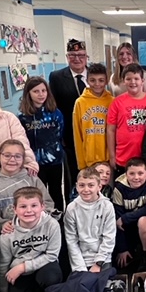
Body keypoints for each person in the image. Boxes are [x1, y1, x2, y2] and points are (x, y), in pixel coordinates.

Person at [0, 186, 63, 292]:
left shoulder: (52, 225)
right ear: (14, 209)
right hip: (21, 274)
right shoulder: (7, 234)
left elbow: (52, 255)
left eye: (34, 205)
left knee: (52, 276)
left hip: (44, 266)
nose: (29, 210)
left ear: (42, 207)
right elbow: (3, 265)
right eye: (23, 206)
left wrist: (23, 267)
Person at [0, 139, 55, 238]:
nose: (12, 160)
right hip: (6, 238)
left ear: (23, 159)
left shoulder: (32, 179)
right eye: (7, 155)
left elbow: (47, 204)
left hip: (37, 234)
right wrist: (1, 224)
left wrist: (35, 221)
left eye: (17, 156)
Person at [49, 39, 89, 206]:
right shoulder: (57, 77)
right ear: (67, 57)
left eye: (80, 55)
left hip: (93, 135)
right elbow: (53, 107)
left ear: (86, 57)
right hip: (69, 137)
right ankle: (72, 209)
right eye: (72, 55)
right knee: (72, 175)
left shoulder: (96, 74)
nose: (77, 58)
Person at [18, 76, 64, 211]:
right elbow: (22, 141)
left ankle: (59, 220)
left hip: (55, 160)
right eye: (36, 91)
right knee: (38, 193)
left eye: (44, 91)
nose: (41, 94)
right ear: (28, 94)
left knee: (56, 191)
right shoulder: (23, 117)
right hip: (34, 163)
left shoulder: (55, 113)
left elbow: (60, 133)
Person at [107, 63, 146, 180]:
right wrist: (112, 156)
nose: (132, 82)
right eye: (128, 79)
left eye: (136, 79)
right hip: (123, 158)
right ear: (124, 81)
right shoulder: (117, 102)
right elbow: (110, 130)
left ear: (142, 81)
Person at [111, 156, 146, 272]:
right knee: (122, 265)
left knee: (144, 220)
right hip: (127, 230)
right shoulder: (119, 189)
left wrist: (126, 217)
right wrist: (122, 249)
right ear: (126, 174)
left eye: (140, 173)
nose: (136, 177)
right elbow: (117, 220)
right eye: (132, 174)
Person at [63, 167, 116, 273]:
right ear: (76, 186)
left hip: (103, 259)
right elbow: (71, 240)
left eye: (91, 185)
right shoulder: (71, 208)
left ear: (99, 187)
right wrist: (80, 268)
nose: (86, 189)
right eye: (82, 185)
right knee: (81, 285)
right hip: (80, 259)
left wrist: (98, 263)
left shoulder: (107, 206)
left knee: (102, 286)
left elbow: (109, 238)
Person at [72, 62, 114, 171]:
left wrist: (113, 157)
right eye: (92, 80)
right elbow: (77, 134)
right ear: (87, 80)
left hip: (108, 160)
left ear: (106, 80)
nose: (97, 84)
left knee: (107, 188)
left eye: (101, 80)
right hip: (88, 161)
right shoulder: (80, 102)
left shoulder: (112, 101)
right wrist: (81, 164)